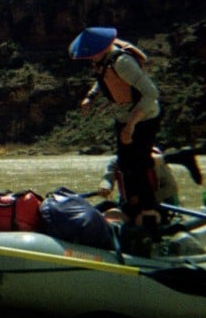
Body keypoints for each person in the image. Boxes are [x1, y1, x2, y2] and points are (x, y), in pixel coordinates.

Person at [70, 27, 163, 231]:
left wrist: (131, 126)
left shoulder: (123, 63)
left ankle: (147, 213)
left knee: (138, 164)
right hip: (124, 115)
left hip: (144, 116)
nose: (88, 59)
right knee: (125, 163)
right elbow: (102, 80)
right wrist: (90, 97)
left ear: (100, 49)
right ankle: (130, 206)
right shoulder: (102, 60)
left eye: (89, 54)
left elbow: (151, 94)